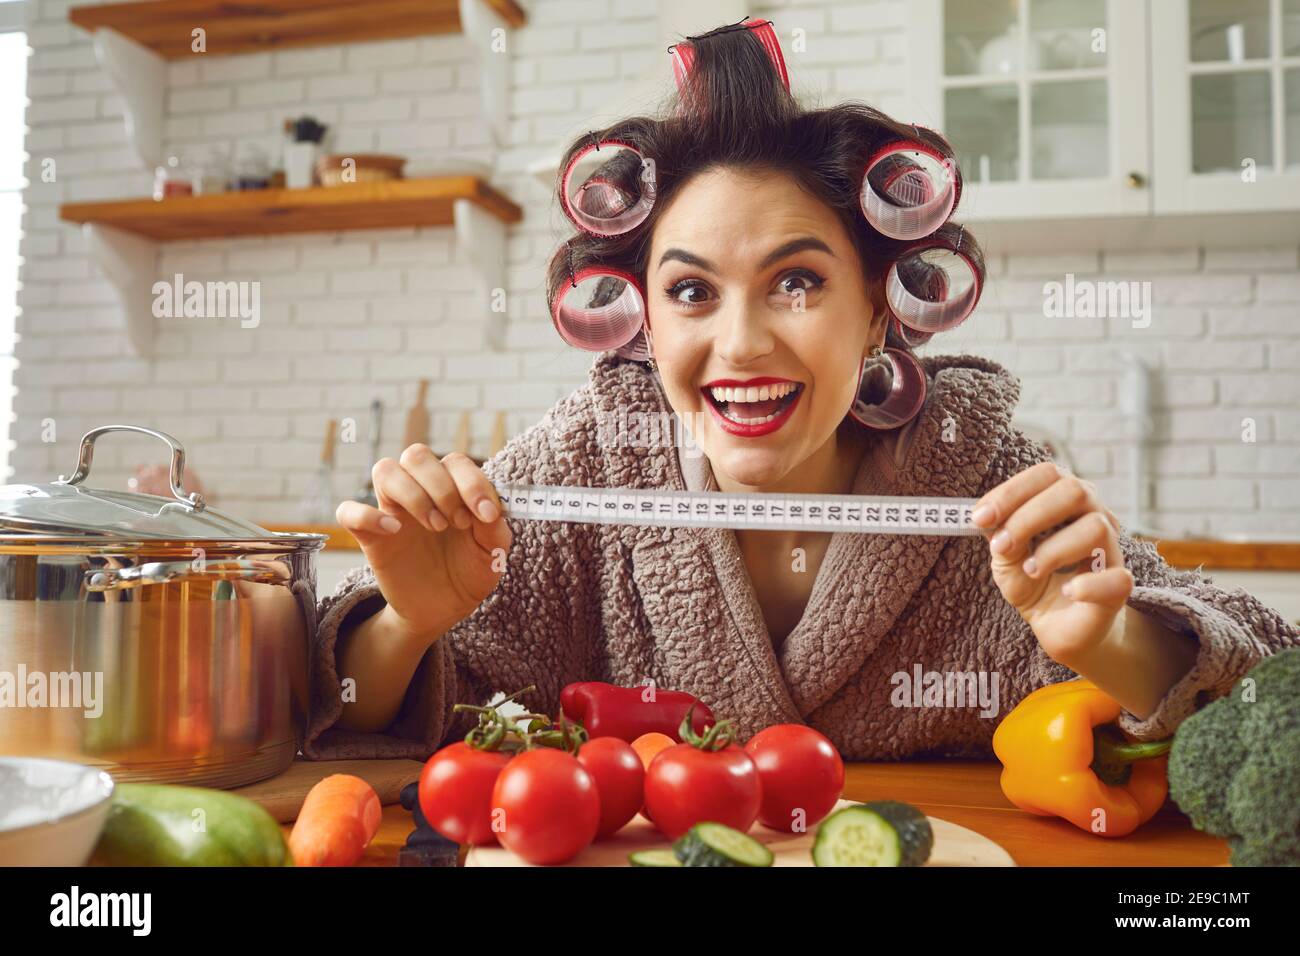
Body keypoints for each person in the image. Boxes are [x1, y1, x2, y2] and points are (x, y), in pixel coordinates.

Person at [303, 20, 1298, 762]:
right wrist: (408, 624)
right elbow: (346, 717)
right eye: (691, 289)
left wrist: (1111, 639)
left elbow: (1262, 684)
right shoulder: (583, 463)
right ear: (644, 321)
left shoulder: (980, 471)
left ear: (877, 308)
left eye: (796, 281)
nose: (739, 342)